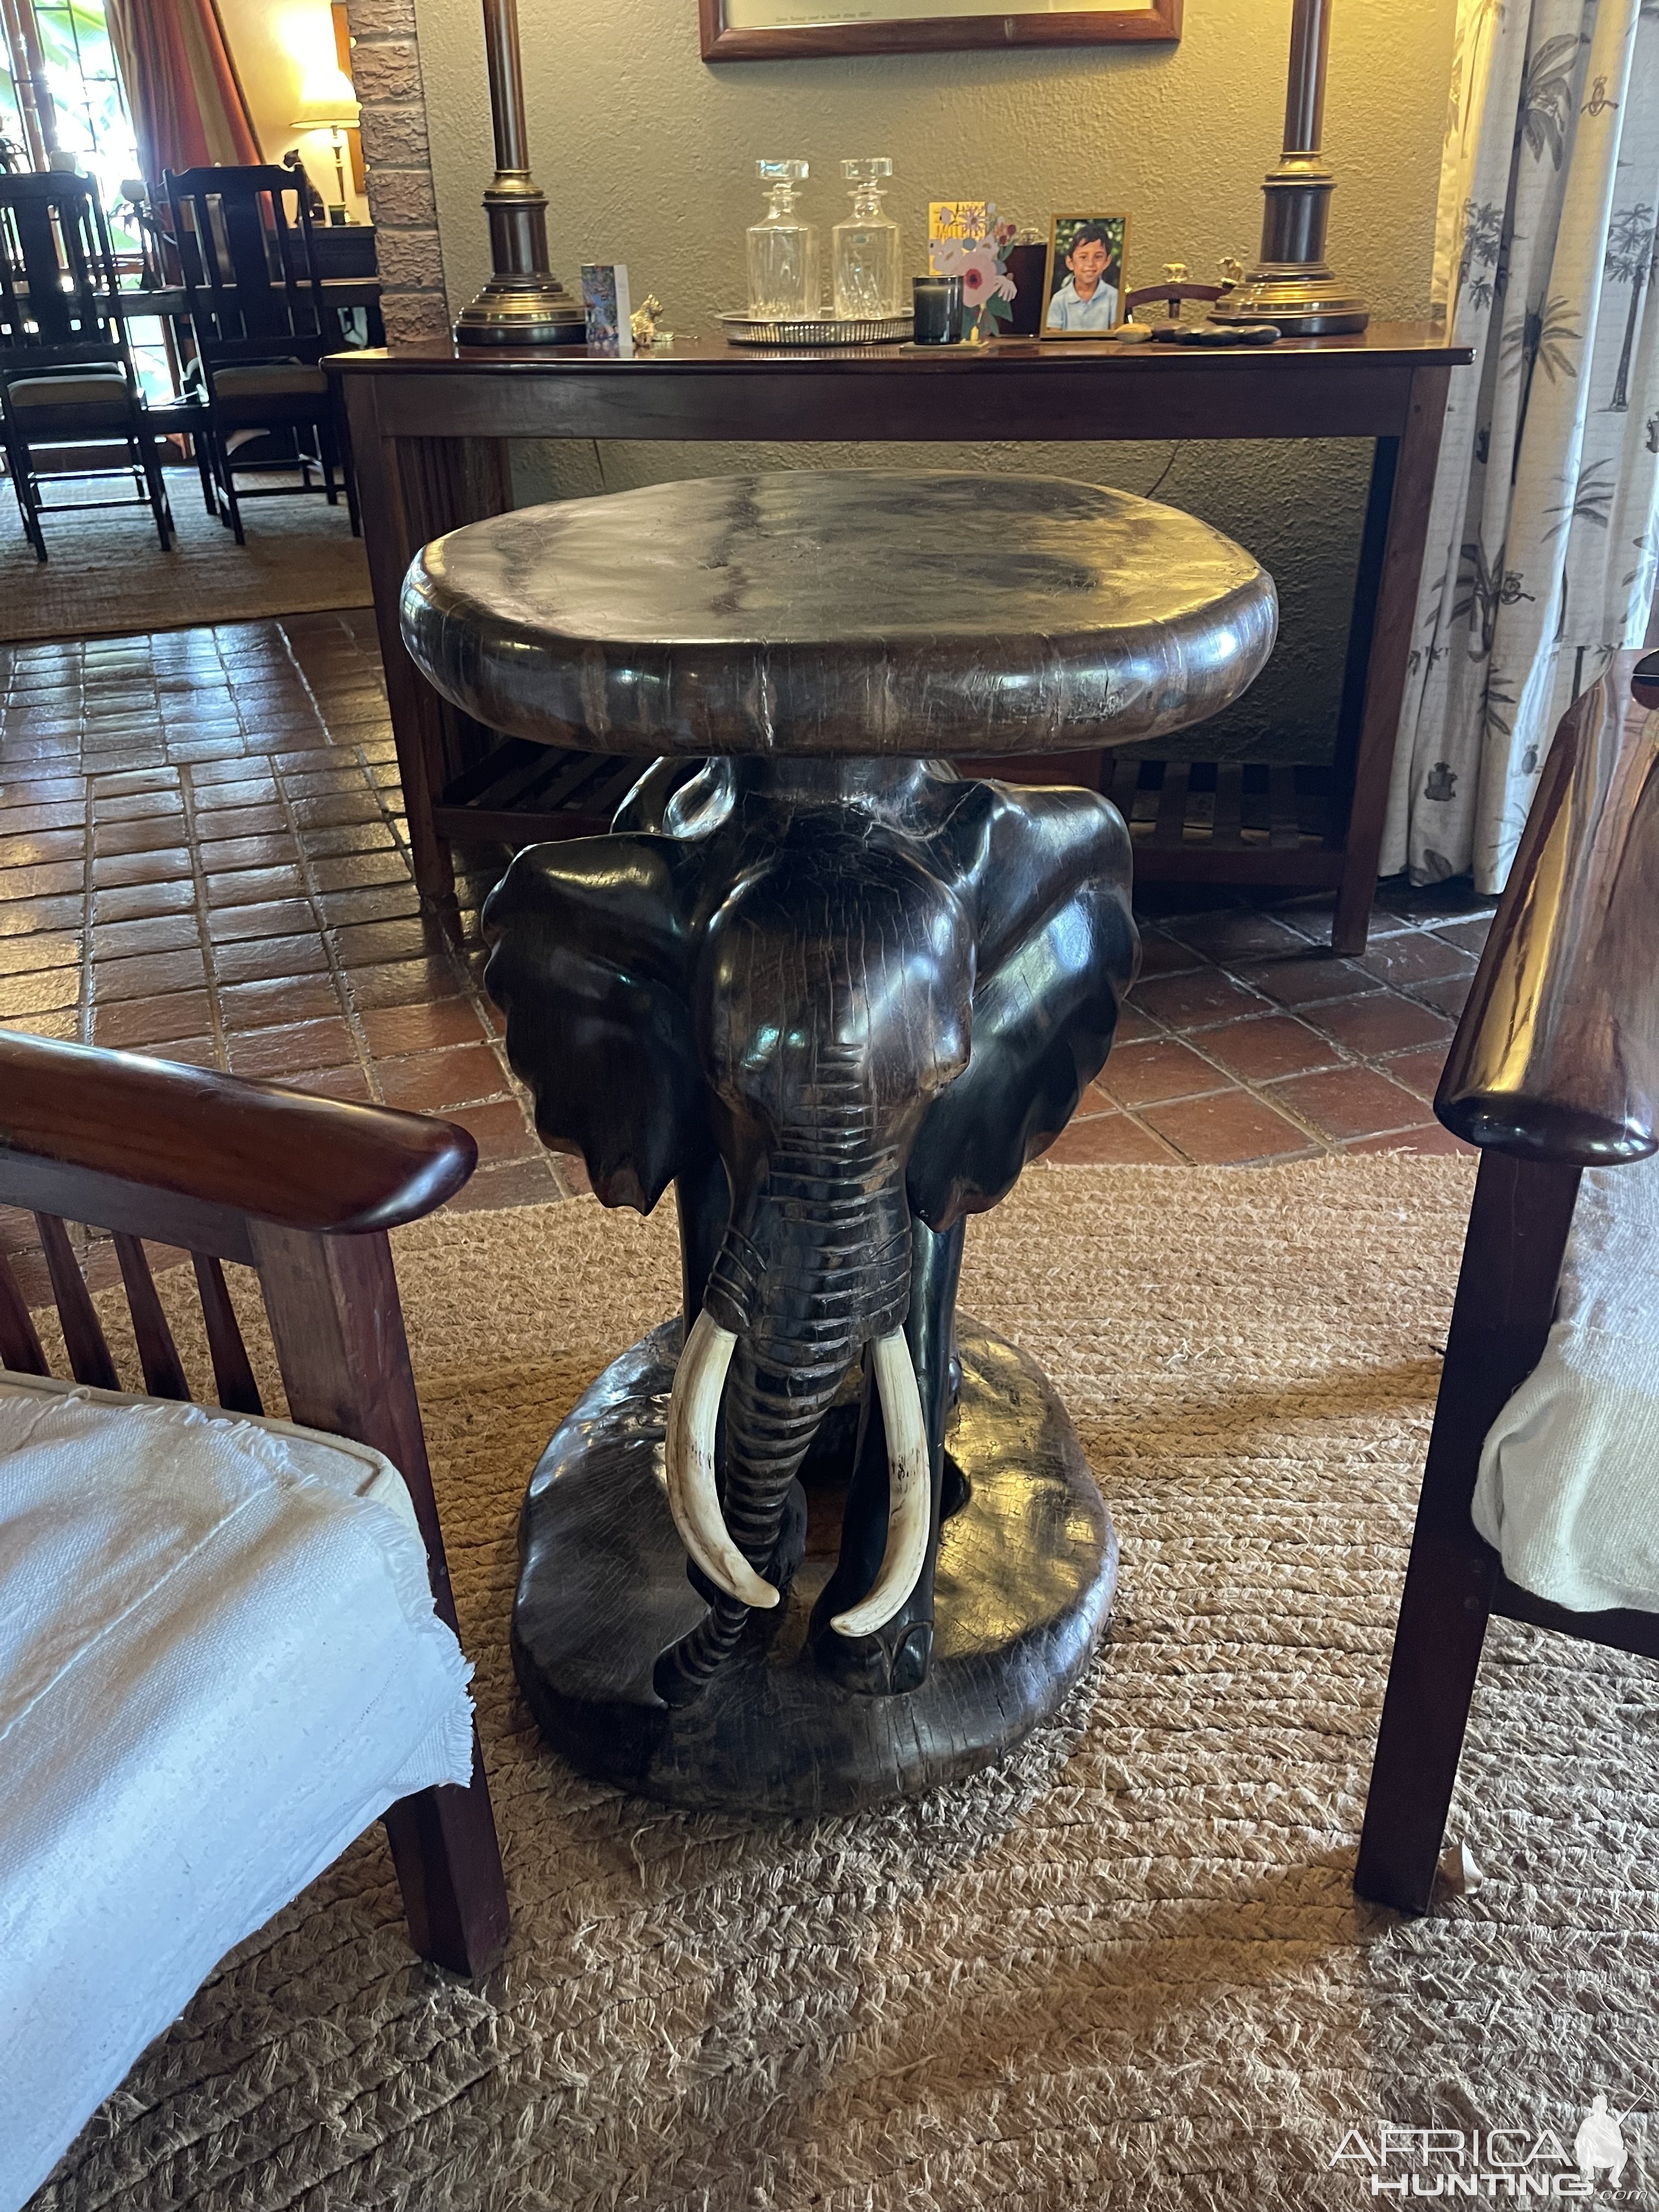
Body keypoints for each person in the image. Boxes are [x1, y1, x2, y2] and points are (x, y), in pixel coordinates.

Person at [1046, 223, 1121, 332]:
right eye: (1083, 257)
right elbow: (1054, 340)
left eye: (1098, 257)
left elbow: (1116, 338)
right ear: (1070, 262)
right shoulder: (1059, 300)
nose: (1090, 264)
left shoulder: (1114, 297)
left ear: (1107, 261)